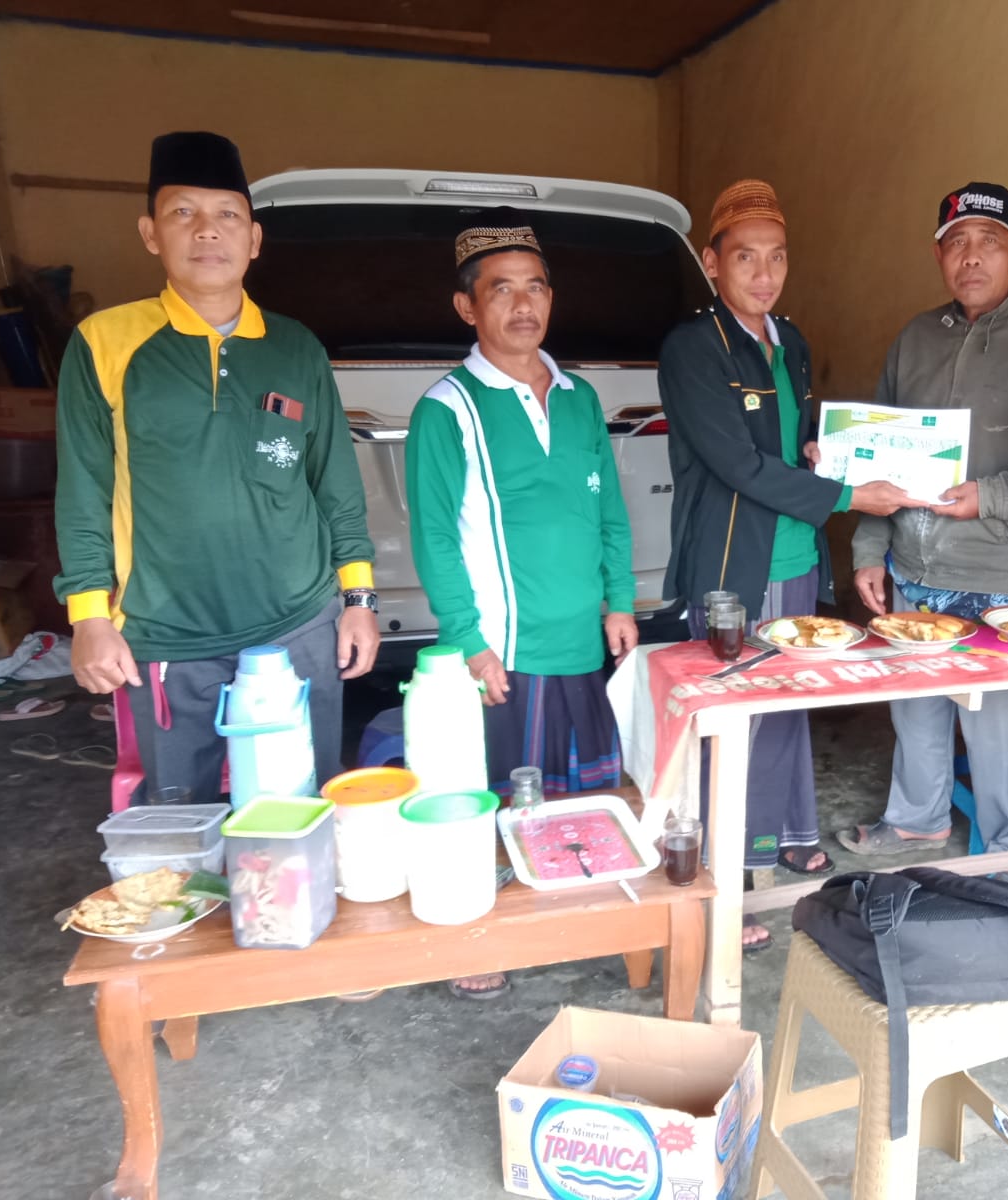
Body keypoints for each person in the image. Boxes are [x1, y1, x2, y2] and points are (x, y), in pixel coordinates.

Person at [54, 131, 378, 801]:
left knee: (304, 809)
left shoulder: (295, 348)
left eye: (227, 215)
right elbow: (83, 486)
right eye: (183, 213)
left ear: (254, 239)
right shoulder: (106, 343)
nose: (207, 232)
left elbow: (334, 481)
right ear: (150, 233)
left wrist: (358, 599)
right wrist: (87, 615)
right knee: (183, 818)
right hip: (170, 634)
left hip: (301, 624)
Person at [658, 179, 921, 951]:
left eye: (776, 258)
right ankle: (723, 871)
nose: (763, 274)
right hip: (737, 557)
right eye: (746, 258)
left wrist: (824, 453)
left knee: (789, 697)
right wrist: (846, 491)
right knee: (733, 709)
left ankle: (776, 837)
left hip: (798, 553)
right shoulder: (692, 347)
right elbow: (737, 463)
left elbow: (794, 437)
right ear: (713, 263)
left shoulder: (791, 340)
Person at [840, 181, 1008, 858]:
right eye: (956, 243)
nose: (971, 258)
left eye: (988, 242)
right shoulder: (914, 339)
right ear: (939, 256)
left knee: (1002, 726)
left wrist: (987, 497)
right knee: (916, 703)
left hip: (1000, 574)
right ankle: (917, 817)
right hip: (913, 561)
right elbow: (879, 460)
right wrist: (869, 549)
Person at [407, 214, 637, 996]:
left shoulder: (577, 396)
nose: (522, 305)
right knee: (505, 802)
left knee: (587, 798)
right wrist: (468, 641)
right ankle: (489, 945)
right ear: (467, 308)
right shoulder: (449, 408)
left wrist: (619, 601)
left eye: (534, 287)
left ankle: (585, 920)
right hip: (507, 648)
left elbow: (609, 508)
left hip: (583, 637)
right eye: (499, 290)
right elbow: (435, 538)